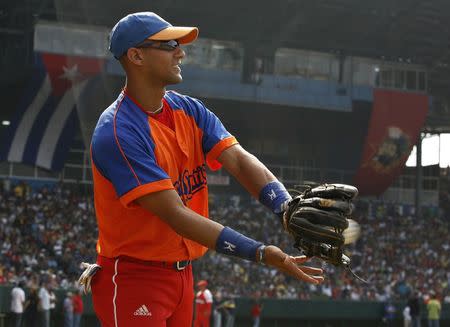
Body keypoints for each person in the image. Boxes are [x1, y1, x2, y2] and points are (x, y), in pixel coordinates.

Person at [84, 11, 323, 327]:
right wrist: (262, 253)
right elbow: (177, 216)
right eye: (169, 44)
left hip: (182, 276)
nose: (180, 51)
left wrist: (285, 207)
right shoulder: (117, 131)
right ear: (136, 55)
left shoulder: (189, 109)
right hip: (133, 278)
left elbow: (237, 159)